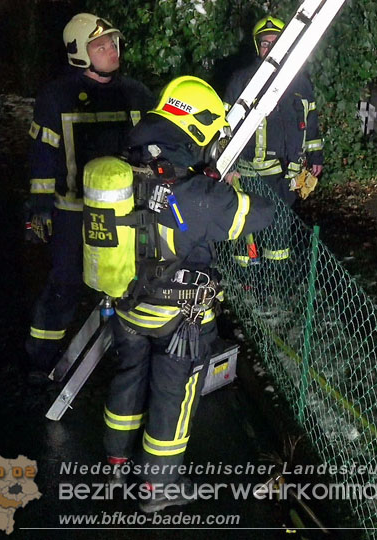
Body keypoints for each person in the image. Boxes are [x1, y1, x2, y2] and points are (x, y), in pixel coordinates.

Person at [89, 76, 274, 513]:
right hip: (180, 323)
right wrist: (225, 186)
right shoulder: (199, 195)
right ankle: (158, 488)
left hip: (127, 309)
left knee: (128, 377)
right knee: (172, 397)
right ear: (199, 131)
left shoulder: (126, 163)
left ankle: (116, 461)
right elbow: (253, 217)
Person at [25, 13, 155, 377]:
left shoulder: (136, 93)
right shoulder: (56, 97)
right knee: (65, 284)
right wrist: (40, 209)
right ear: (79, 53)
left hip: (123, 212)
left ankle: (126, 352)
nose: (112, 50)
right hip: (71, 212)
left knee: (127, 282)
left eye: (113, 43)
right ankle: (41, 357)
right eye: (101, 46)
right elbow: (42, 157)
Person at [224, 15, 324, 266]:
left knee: (280, 230)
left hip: (287, 175)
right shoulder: (242, 81)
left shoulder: (300, 81)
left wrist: (315, 157)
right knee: (247, 229)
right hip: (250, 175)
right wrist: (228, 166)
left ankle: (275, 281)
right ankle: (245, 281)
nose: (271, 48)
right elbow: (225, 128)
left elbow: (310, 122)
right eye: (266, 43)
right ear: (258, 47)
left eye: (276, 42)